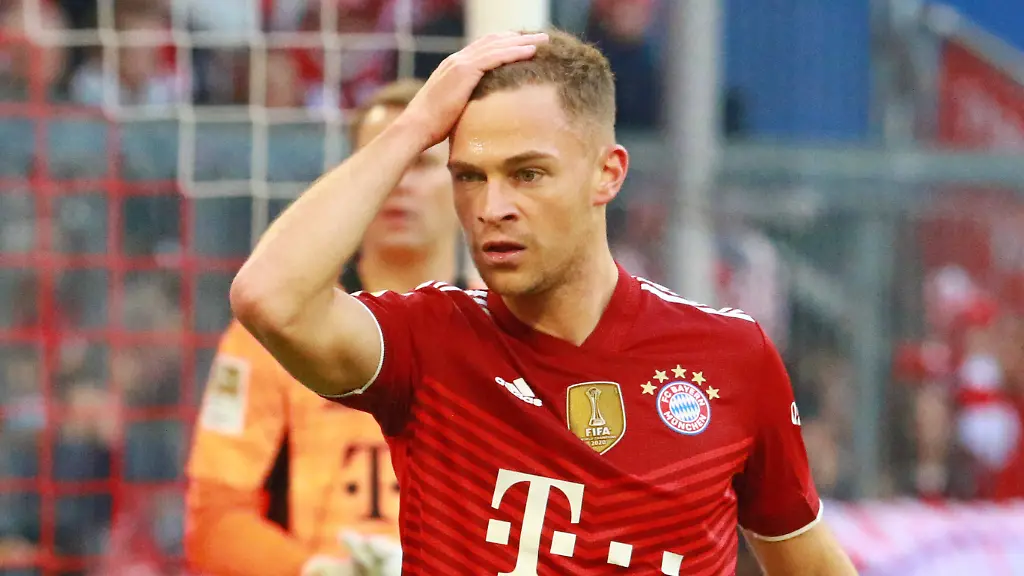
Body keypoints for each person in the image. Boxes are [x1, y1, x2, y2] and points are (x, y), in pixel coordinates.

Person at [230, 29, 858, 575]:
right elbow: (268, 298)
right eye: (470, 177)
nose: (492, 207)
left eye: (526, 174)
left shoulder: (729, 357)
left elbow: (808, 561)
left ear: (608, 174)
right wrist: (414, 128)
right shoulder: (430, 342)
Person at [185, 79, 477, 576]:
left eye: (422, 164)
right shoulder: (271, 333)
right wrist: (315, 571)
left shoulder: (509, 332)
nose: (399, 182)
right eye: (384, 162)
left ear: (465, 183)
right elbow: (213, 523)